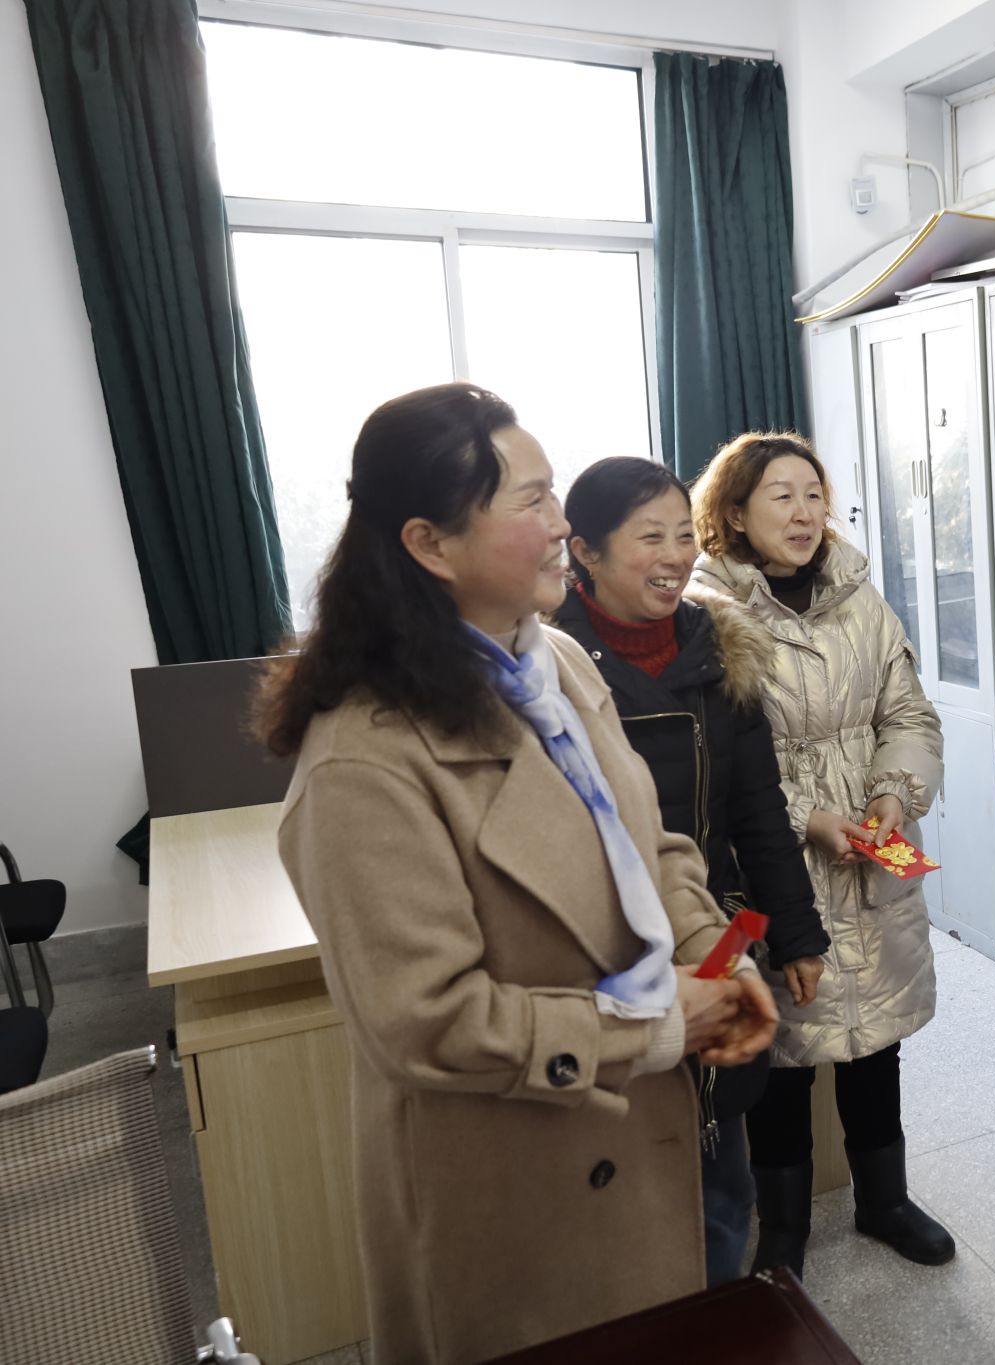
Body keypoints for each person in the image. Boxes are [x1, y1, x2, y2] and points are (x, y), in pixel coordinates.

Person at [258, 383, 779, 1363]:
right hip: (512, 1185)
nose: (561, 525)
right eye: (531, 501)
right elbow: (427, 1020)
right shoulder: (364, 756)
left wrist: (713, 950)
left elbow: (650, 843)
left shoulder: (557, 663)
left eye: (554, 493)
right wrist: (653, 1025)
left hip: (633, 1135)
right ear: (430, 543)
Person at [555, 455, 830, 1285]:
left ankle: (720, 1297)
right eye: (650, 538)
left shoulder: (721, 650)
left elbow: (758, 809)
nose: (675, 556)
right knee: (624, 1163)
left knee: (720, 1147)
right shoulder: (549, 668)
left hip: (720, 922)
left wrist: (797, 932)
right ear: (584, 552)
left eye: (684, 534)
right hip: (603, 947)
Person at [688, 430, 955, 1278]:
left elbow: (906, 715)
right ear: (735, 512)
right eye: (782, 496)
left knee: (877, 1036)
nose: (804, 513)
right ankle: (786, 1228)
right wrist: (810, 818)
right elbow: (721, 763)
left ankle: (885, 1200)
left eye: (814, 494)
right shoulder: (708, 614)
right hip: (771, 862)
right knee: (782, 1053)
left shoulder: (860, 598)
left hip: (870, 853)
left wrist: (894, 794)